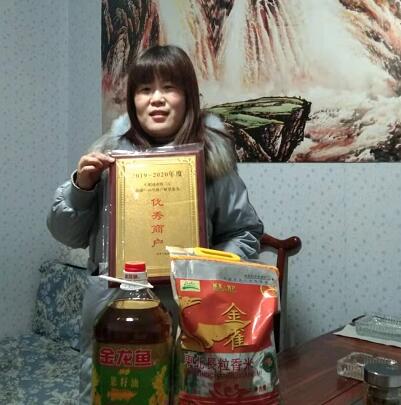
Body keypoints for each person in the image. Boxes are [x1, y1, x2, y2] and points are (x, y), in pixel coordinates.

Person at [47, 44, 264, 404]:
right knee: (113, 392)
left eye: (169, 87)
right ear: (133, 100)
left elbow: (244, 232)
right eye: (145, 89)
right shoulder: (108, 156)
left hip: (188, 316)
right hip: (113, 314)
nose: (157, 99)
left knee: (180, 394)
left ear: (188, 96)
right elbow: (66, 234)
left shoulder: (213, 158)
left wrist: (207, 273)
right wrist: (80, 188)